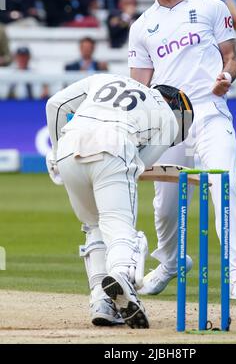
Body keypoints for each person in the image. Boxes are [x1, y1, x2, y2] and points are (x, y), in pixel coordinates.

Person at [128, 0, 236, 300]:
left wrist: (227, 78)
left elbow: (231, 57)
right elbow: (139, 85)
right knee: (165, 205)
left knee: (224, 186)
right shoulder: (142, 25)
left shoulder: (210, 6)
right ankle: (170, 262)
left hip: (210, 111)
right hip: (169, 120)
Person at [46, 73, 193, 328]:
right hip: (114, 146)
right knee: (120, 227)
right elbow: (140, 163)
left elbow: (55, 106)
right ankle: (124, 275)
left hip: (70, 145)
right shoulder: (168, 117)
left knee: (94, 226)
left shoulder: (106, 78)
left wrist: (59, 151)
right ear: (177, 107)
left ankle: (102, 303)